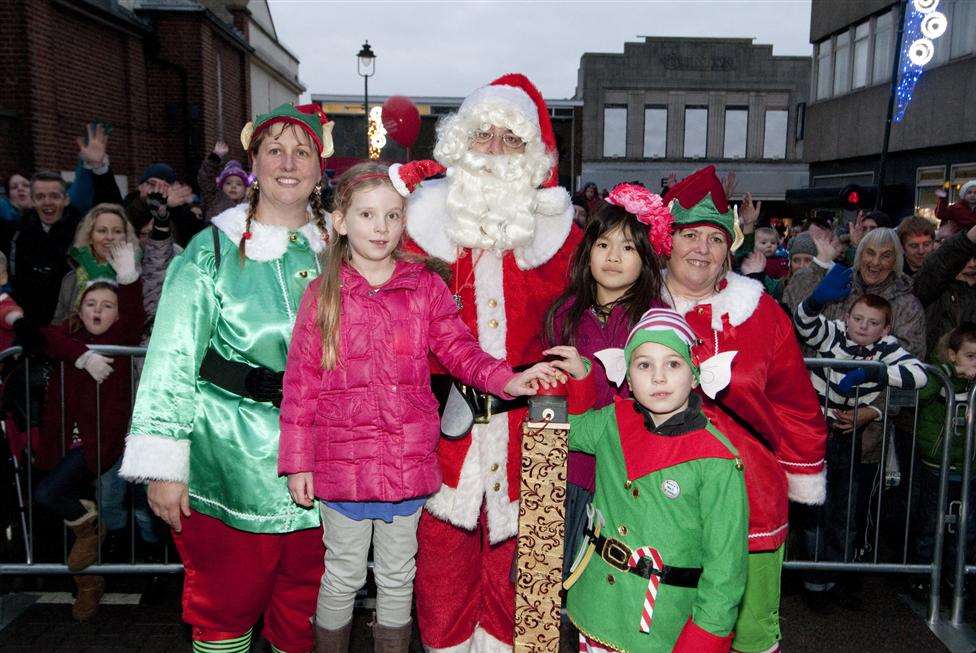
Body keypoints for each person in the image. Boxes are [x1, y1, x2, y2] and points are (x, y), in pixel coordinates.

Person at [279, 162, 557, 651]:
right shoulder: (321, 296)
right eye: (367, 215)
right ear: (341, 222)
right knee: (342, 575)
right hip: (341, 467)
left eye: (391, 215)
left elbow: (461, 350)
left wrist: (508, 379)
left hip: (406, 467)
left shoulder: (425, 286)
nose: (380, 227)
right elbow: (301, 387)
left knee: (397, 576)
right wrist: (297, 461)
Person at [120, 103, 335, 653]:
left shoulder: (346, 250)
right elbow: (171, 358)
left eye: (302, 151)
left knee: (306, 614)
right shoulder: (209, 250)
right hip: (229, 463)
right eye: (274, 150)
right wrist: (164, 466)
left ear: (318, 167)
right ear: (254, 164)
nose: (289, 163)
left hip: (328, 464)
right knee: (224, 610)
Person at [387, 73, 581, 652]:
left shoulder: (563, 236)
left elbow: (601, 318)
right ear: (459, 145)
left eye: (510, 139)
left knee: (533, 585)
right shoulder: (416, 230)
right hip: (442, 429)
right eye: (484, 135)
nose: (494, 150)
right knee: (441, 580)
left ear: (533, 155)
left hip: (541, 426)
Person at [659, 165, 827, 653]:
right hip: (661, 501)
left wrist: (801, 473)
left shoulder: (761, 312)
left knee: (751, 631)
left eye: (713, 238)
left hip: (751, 494)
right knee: (667, 629)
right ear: (665, 243)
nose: (700, 249)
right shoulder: (636, 310)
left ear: (728, 248)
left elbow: (795, 402)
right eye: (688, 235)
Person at [548, 308, 747, 653]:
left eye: (673, 364)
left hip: (663, 628)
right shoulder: (614, 420)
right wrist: (581, 379)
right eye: (644, 365)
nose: (658, 378)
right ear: (626, 373)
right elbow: (572, 431)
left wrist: (703, 642)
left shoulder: (717, 460)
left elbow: (725, 572)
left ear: (695, 374)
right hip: (597, 608)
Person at [543, 183, 665, 588]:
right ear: (588, 250)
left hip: (628, 481)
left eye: (628, 248)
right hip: (568, 476)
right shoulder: (564, 313)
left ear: (645, 259)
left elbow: (651, 401)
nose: (613, 257)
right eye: (603, 244)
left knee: (617, 593)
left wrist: (589, 377)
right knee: (552, 593)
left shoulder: (653, 319)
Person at [793, 279, 926, 611]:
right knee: (815, 512)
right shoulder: (835, 333)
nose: (863, 327)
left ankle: (836, 579)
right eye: (858, 319)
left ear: (886, 328)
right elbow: (806, 326)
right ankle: (815, 584)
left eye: (873, 323)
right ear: (846, 317)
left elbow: (920, 375)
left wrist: (876, 373)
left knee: (846, 512)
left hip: (849, 438)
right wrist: (814, 301)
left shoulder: (887, 347)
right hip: (816, 432)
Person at [31, 243, 144, 621]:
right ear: (79, 308)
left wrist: (128, 280)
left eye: (107, 304)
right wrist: (82, 355)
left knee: (50, 494)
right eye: (91, 303)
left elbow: (133, 316)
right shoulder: (70, 338)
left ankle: (89, 525)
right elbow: (45, 334)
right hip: (63, 441)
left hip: (99, 444)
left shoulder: (123, 337)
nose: (98, 310)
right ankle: (89, 586)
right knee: (72, 530)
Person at [785, 227, 926, 359]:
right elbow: (797, 311)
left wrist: (860, 363)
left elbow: (911, 354)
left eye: (885, 256)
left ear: (895, 261)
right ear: (860, 254)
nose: (876, 262)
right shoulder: (840, 283)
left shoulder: (908, 305)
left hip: (874, 385)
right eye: (870, 253)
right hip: (822, 382)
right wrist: (819, 265)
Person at [52, 203, 140, 325]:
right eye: (102, 231)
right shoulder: (71, 280)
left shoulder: (140, 277)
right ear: (90, 237)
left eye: (117, 231)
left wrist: (128, 279)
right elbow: (58, 324)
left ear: (126, 238)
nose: (109, 237)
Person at [912, 223, 976, 356]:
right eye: (966, 256)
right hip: (937, 371)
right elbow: (938, 267)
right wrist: (968, 239)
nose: (972, 263)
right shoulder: (932, 288)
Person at [198, 140, 251, 220]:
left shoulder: (249, 203)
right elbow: (205, 179)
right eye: (228, 183)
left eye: (239, 184)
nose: (233, 186)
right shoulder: (215, 198)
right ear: (221, 186)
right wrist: (215, 157)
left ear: (246, 188)